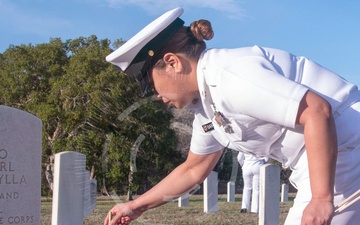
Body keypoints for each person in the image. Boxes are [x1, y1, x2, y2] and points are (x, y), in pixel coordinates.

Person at [104, 7, 360, 225]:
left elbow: (316, 111)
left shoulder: (230, 75)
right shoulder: (205, 103)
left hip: (347, 146)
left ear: (172, 62)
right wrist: (136, 205)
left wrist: (321, 199)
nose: (156, 95)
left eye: (150, 83)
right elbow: (194, 169)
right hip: (332, 156)